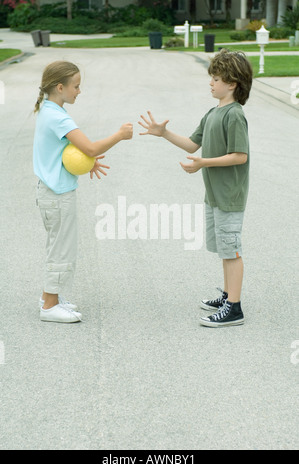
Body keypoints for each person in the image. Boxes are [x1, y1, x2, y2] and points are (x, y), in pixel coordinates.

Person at [139, 49, 253, 328]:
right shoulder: (213, 112)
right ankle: (228, 296)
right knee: (223, 249)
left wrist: (204, 163)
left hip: (229, 196)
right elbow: (192, 145)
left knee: (231, 250)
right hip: (214, 195)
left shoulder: (234, 115)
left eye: (216, 78)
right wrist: (164, 133)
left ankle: (234, 309)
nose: (211, 83)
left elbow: (240, 156)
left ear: (232, 83)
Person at [34, 60, 133, 323]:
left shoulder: (49, 110)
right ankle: (49, 307)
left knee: (58, 245)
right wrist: (120, 135)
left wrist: (88, 162)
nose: (79, 91)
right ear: (60, 87)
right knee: (61, 248)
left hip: (52, 192)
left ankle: (50, 298)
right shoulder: (57, 116)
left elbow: (67, 152)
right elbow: (88, 147)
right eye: (76, 86)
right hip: (56, 195)